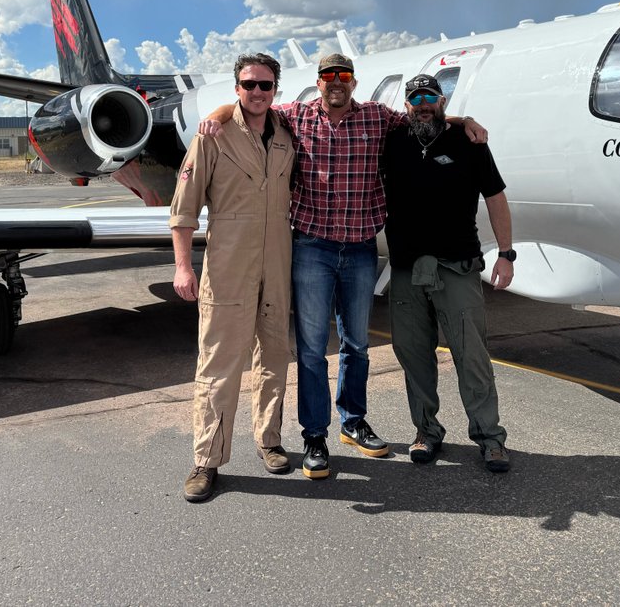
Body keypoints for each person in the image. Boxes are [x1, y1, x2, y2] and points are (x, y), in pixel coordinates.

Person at [201, 54, 486, 479]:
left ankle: (353, 422)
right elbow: (248, 108)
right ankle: (315, 435)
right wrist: (217, 112)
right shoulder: (294, 117)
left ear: (353, 83)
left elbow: (423, 114)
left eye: (344, 76)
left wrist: (464, 121)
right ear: (318, 82)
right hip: (312, 247)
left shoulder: (376, 118)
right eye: (328, 76)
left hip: (359, 250)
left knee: (356, 344)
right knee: (313, 349)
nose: (336, 82)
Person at [170, 53, 296, 502]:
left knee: (275, 359)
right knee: (218, 366)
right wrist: (183, 266)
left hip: (277, 266)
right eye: (249, 84)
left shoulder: (286, 134)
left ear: (275, 89)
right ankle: (206, 460)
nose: (257, 92)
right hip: (227, 268)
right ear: (236, 87)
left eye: (265, 85)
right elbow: (183, 209)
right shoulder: (212, 135)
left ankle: (270, 440)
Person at [382, 73, 514, 473]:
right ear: (406, 107)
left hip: (456, 266)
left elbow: (495, 198)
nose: (423, 103)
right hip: (405, 269)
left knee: (471, 355)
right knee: (413, 355)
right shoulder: (392, 142)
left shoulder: (468, 142)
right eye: (415, 98)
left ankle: (490, 437)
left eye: (430, 96)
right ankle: (426, 432)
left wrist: (506, 253)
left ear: (442, 101)